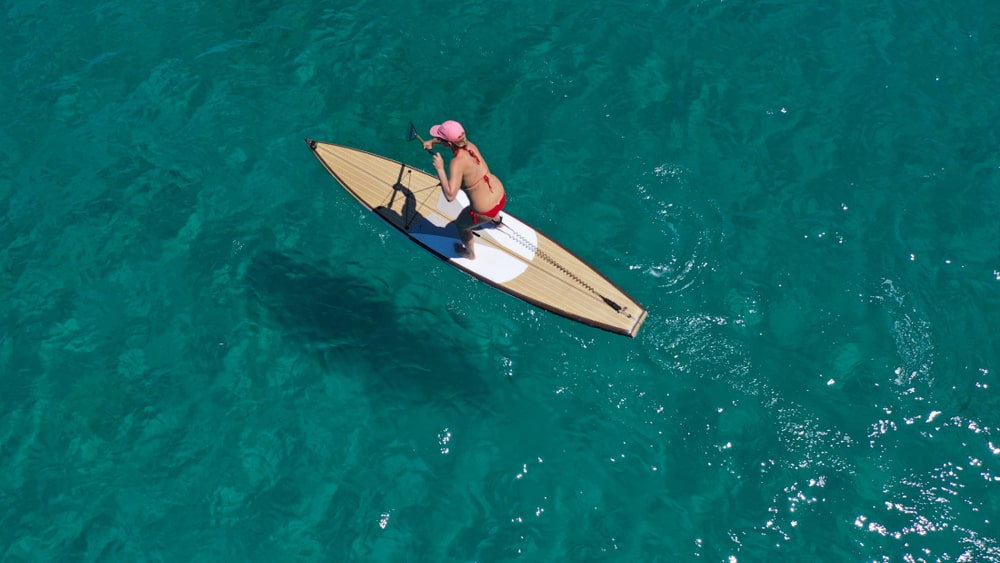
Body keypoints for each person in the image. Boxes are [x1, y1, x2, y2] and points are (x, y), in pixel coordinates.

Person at [423, 120, 506, 259]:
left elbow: (450, 196)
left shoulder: (456, 163)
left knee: (461, 225)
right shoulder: (470, 146)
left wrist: (440, 169)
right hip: (501, 196)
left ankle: (469, 253)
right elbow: (451, 142)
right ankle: (497, 222)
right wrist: (432, 141)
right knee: (487, 199)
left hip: (485, 211)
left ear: (449, 144)